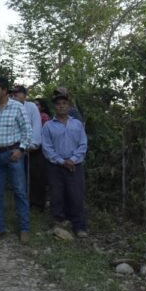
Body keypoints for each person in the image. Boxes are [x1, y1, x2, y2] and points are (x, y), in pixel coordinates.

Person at [0, 77, 32, 243]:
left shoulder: (17, 107)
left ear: (4, 91)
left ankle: (24, 228)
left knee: (20, 191)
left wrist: (21, 149)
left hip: (13, 154)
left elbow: (27, 130)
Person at [42, 92, 88, 238]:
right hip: (56, 165)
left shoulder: (77, 124)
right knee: (57, 195)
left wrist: (73, 160)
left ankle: (79, 226)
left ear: (69, 106)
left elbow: (83, 144)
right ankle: (59, 223)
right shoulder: (48, 125)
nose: (61, 106)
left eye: (64, 104)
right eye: (58, 104)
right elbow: (47, 147)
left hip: (75, 165)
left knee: (76, 195)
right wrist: (62, 161)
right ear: (55, 107)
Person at [12, 85, 46, 213]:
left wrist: (33, 144)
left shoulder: (31, 107)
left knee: (36, 177)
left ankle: (37, 204)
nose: (15, 95)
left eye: (18, 93)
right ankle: (20, 204)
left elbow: (36, 126)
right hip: (16, 148)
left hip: (32, 147)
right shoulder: (10, 107)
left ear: (24, 95)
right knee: (19, 178)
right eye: (13, 93)